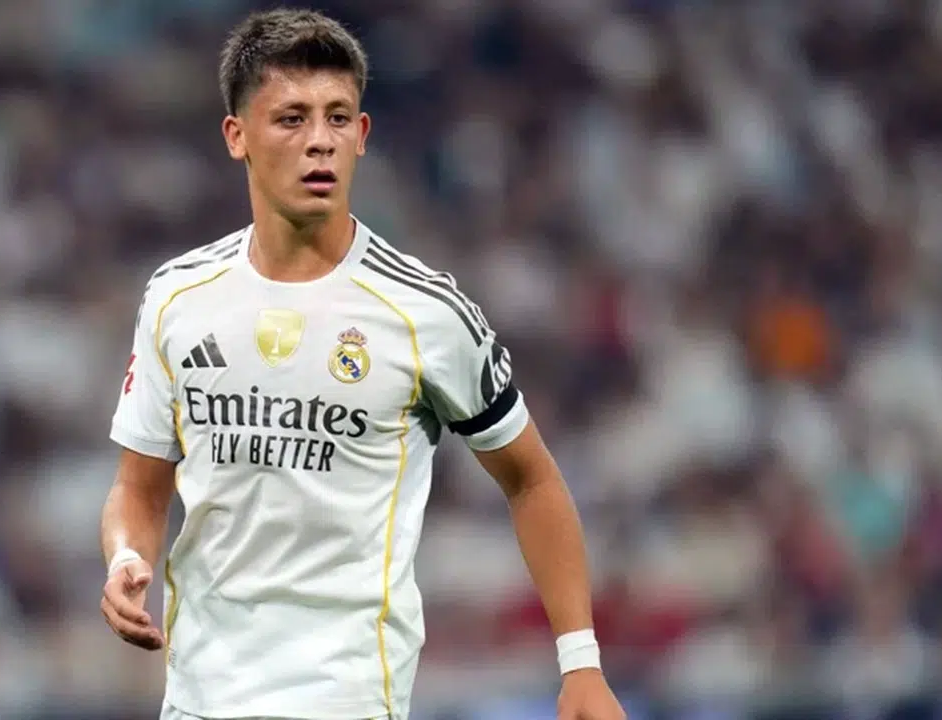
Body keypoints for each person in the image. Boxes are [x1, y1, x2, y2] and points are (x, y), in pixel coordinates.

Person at [99, 9, 625, 720]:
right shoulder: (177, 297)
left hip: (348, 700)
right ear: (237, 135)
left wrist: (580, 661)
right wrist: (125, 558)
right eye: (291, 118)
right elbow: (139, 487)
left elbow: (530, 477)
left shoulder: (426, 311)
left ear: (363, 135)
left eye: (338, 117)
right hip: (199, 702)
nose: (320, 139)